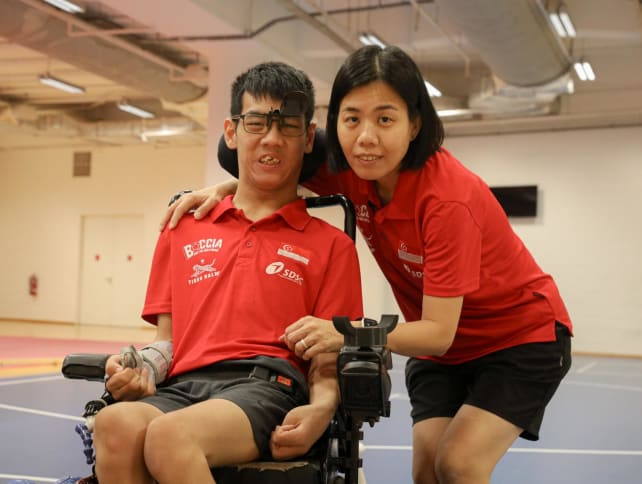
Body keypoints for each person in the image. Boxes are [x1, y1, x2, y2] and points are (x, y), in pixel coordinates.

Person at [163, 45, 573, 484]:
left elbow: (437, 334)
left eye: (385, 119)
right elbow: (271, 164)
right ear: (335, 122)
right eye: (352, 117)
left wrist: (344, 331)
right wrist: (220, 190)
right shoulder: (349, 167)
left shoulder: (448, 200)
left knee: (458, 465)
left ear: (415, 124)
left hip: (517, 339)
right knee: (426, 471)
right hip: (443, 350)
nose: (366, 137)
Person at [92, 61, 363, 484]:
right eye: (256, 123)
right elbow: (166, 344)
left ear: (308, 138)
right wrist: (138, 371)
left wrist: (322, 408)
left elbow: (328, 358)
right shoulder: (182, 226)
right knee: (114, 426)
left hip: (267, 386)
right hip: (181, 387)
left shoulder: (332, 246)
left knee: (168, 437)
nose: (271, 139)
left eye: (288, 126)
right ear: (232, 132)